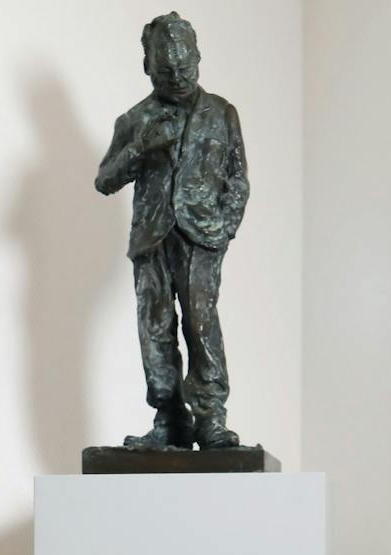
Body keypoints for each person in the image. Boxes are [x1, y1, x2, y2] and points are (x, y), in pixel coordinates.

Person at [95, 13, 249, 452]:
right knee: (155, 328)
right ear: (148, 66)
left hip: (202, 235)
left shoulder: (222, 113)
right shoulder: (134, 119)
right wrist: (140, 148)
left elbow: (238, 179)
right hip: (152, 237)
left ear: (198, 59)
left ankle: (211, 418)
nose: (178, 77)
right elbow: (105, 179)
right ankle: (169, 418)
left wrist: (224, 227)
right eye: (166, 71)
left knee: (201, 322)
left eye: (185, 67)